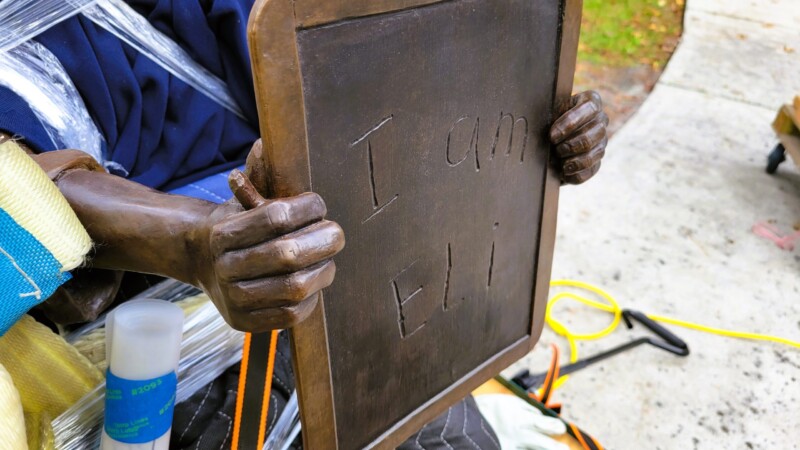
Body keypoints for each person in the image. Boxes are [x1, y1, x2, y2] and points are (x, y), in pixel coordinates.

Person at [0, 1, 608, 448]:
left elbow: (382, 73)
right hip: (157, 335)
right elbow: (17, 190)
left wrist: (538, 124)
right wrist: (195, 242)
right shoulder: (29, 32)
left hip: (342, 277)